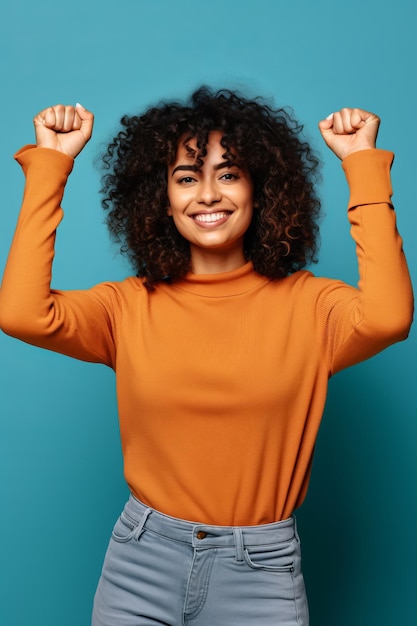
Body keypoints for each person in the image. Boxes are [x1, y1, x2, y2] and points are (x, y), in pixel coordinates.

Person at [0, 87, 413, 626]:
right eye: (187, 178)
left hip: (260, 571)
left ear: (260, 190)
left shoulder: (312, 306)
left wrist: (362, 165)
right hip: (140, 561)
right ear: (162, 198)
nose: (208, 195)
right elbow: (22, 315)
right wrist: (52, 164)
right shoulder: (126, 307)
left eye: (229, 173)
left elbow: (389, 318)